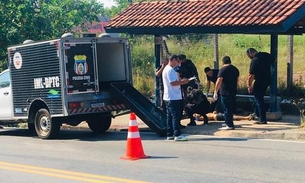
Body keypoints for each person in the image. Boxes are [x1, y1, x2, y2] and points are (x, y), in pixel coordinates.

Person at [162, 55, 191, 141]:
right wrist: (183, 82)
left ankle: (170, 133)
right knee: (176, 116)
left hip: (169, 96)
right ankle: (177, 134)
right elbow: (173, 83)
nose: (178, 64)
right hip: (173, 96)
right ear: (173, 60)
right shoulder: (170, 70)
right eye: (178, 62)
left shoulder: (167, 69)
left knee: (170, 116)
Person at [246, 48, 275, 124]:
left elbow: (251, 75)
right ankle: (257, 114)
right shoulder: (266, 55)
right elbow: (274, 60)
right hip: (267, 80)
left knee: (259, 99)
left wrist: (249, 85)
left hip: (259, 81)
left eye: (249, 56)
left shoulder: (255, 60)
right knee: (259, 98)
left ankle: (262, 119)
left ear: (251, 54)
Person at [213, 56, 239, 130]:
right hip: (233, 91)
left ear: (223, 62)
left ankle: (229, 124)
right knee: (230, 108)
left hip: (225, 91)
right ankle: (228, 121)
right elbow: (237, 80)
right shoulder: (235, 69)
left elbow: (219, 80)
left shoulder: (223, 69)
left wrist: (215, 91)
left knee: (226, 108)